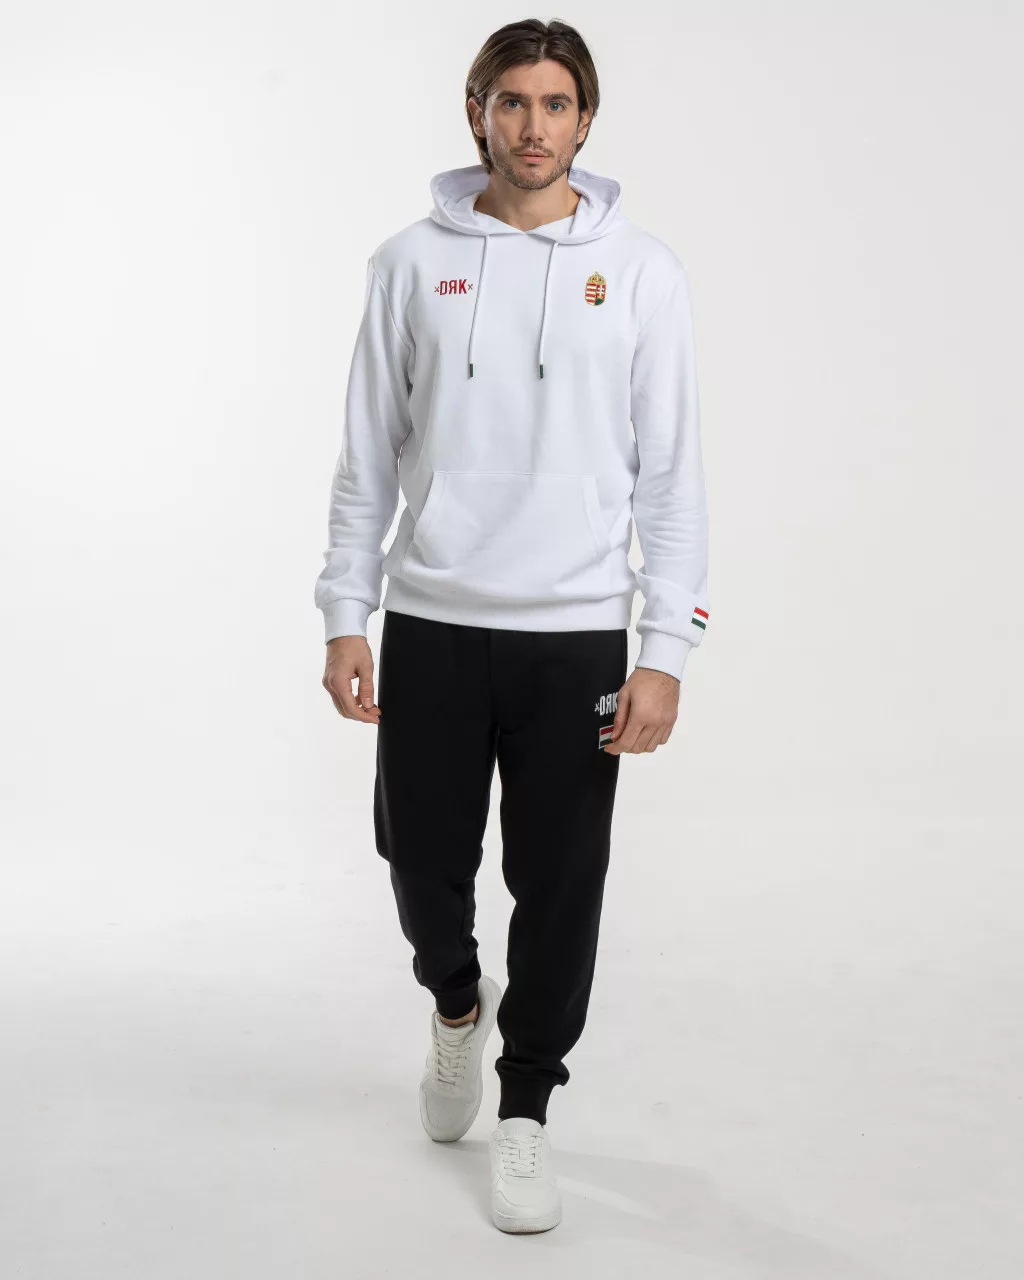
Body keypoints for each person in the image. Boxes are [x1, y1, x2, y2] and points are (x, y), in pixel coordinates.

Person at [314, 17, 710, 1234]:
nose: (533, 126)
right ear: (476, 111)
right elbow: (365, 455)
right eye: (512, 102)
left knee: (560, 880)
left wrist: (664, 649)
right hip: (433, 615)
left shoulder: (641, 272)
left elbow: (671, 477)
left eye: (555, 104)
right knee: (419, 863)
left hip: (577, 630)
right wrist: (344, 610)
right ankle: (454, 1001)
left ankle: (527, 1101)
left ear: (585, 119)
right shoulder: (406, 263)